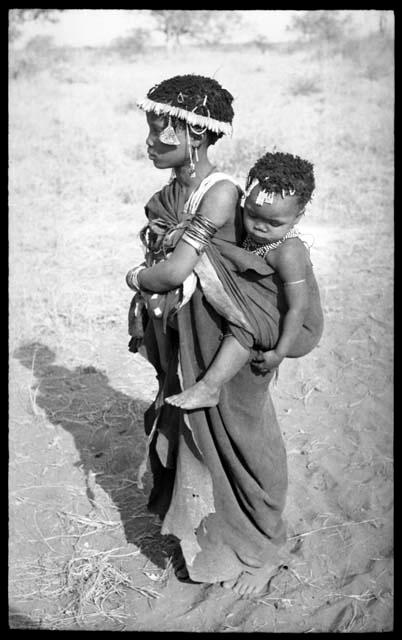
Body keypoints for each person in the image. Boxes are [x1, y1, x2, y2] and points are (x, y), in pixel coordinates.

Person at [126, 74, 291, 596]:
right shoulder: (169, 193)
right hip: (185, 333)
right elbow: (169, 263)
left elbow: (174, 273)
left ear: (194, 135)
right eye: (150, 132)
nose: (151, 143)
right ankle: (210, 544)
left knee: (239, 437)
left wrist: (135, 277)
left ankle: (259, 541)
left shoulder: (218, 193)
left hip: (226, 337)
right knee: (197, 435)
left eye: (161, 133)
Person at [165, 151, 324, 410]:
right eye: (252, 215)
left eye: (273, 222)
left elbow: (298, 308)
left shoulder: (288, 251)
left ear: (297, 217)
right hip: (272, 310)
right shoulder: (255, 233)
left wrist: (279, 353)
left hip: (298, 327)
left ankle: (210, 387)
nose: (259, 227)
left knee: (243, 325)